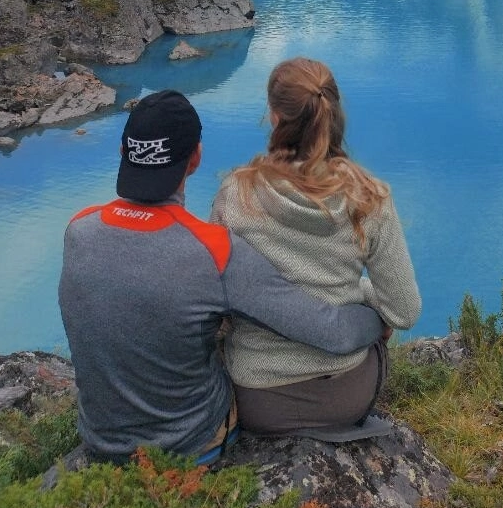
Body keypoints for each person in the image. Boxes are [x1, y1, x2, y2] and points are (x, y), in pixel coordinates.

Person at [58, 89, 385, 464]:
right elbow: (332, 332)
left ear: (122, 152)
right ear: (195, 158)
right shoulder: (213, 252)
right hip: (192, 446)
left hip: (101, 444)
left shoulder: (78, 231)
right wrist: (376, 317)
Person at [211, 57, 421, 438]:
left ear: (275, 117)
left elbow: (216, 298)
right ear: (334, 113)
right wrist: (362, 295)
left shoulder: (236, 195)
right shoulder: (369, 197)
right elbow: (404, 311)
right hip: (346, 394)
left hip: (258, 400)